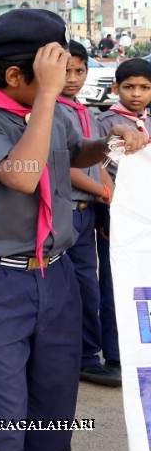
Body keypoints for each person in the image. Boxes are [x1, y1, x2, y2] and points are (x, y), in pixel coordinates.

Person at [0, 8, 147, 451]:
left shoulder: (51, 112)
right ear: (15, 76)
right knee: (3, 430)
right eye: (53, 67)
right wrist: (49, 99)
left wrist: (112, 140)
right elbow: (22, 174)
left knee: (51, 429)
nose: (66, 78)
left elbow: (73, 151)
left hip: (56, 279)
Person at [60, 41, 118, 387]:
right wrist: (102, 191)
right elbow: (62, 167)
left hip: (86, 212)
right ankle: (70, 356)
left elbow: (100, 164)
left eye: (79, 71)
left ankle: (86, 356)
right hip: (62, 211)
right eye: (65, 70)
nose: (72, 78)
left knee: (86, 288)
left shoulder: (89, 115)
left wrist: (110, 200)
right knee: (60, 288)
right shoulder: (49, 112)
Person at [94, 57, 151, 384]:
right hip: (116, 217)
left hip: (147, 217)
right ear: (116, 88)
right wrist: (109, 210)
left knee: (145, 286)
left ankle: (143, 349)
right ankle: (116, 355)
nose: (137, 94)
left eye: (144, 87)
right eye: (129, 87)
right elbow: (98, 168)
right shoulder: (106, 123)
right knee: (115, 286)